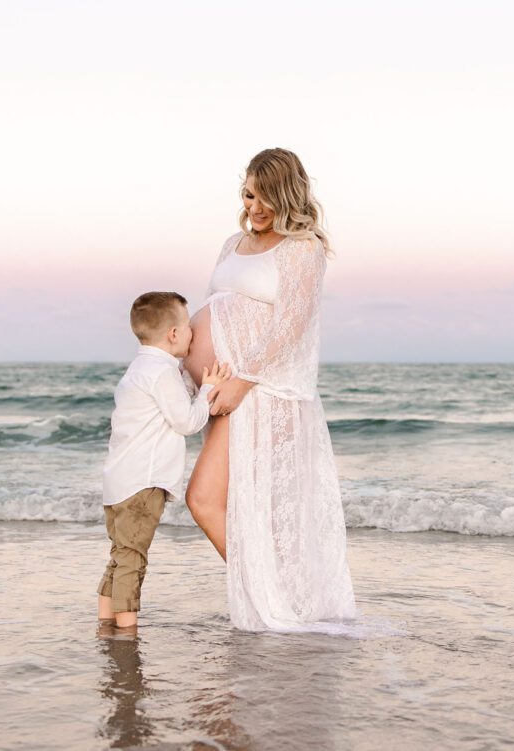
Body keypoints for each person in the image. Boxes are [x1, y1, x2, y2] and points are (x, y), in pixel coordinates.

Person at [183, 148, 357, 632]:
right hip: (224, 391)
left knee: (206, 500)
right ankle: (270, 598)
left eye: (265, 198)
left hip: (261, 393)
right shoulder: (231, 243)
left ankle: (271, 603)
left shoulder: (303, 247)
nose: (254, 207)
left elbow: (291, 324)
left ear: (288, 196)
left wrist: (243, 380)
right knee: (234, 504)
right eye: (248, 195)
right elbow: (215, 306)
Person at [97, 291, 229, 629]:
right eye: (188, 328)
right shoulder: (160, 373)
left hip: (119, 481)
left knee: (120, 556)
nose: (192, 334)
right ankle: (126, 635)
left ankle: (106, 624)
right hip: (143, 482)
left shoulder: (140, 369)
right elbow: (186, 422)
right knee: (132, 559)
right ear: (173, 334)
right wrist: (206, 390)